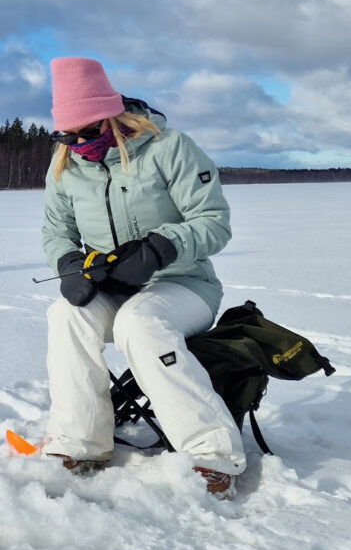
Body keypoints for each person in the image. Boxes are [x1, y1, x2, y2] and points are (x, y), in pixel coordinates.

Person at [40, 57, 243, 498]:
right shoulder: (66, 166)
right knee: (65, 316)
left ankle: (213, 453)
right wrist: (69, 265)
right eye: (65, 135)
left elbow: (214, 222)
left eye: (87, 132)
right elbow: (57, 231)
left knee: (140, 323)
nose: (77, 143)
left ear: (112, 115)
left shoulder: (170, 147)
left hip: (184, 284)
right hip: (112, 287)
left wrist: (160, 247)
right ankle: (81, 442)